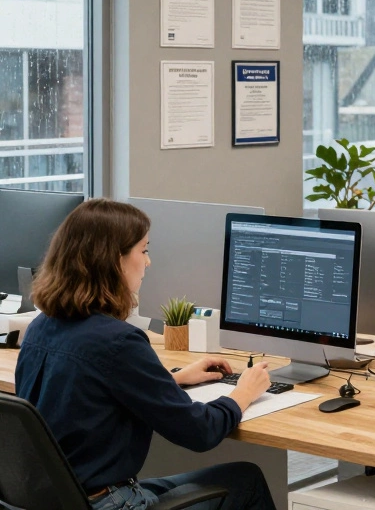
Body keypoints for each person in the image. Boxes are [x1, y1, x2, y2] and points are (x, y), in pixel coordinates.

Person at [14, 199, 275, 510]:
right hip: (107, 502)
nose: (148, 262)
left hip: (56, 498)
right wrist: (242, 394)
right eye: (144, 250)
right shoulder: (119, 341)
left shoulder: (40, 328)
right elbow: (199, 432)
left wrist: (172, 380)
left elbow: (85, 396)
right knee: (245, 480)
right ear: (114, 261)